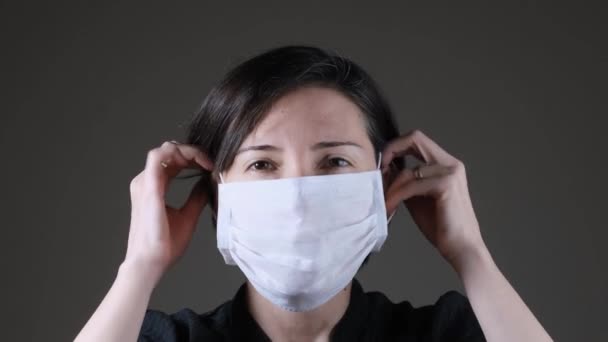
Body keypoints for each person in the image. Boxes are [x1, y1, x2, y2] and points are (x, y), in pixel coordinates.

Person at [74, 45, 553, 342]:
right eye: (262, 164)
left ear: (382, 184)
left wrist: (471, 255)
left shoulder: (451, 334)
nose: (299, 198)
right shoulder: (169, 340)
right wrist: (139, 268)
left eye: (335, 162)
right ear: (219, 193)